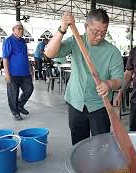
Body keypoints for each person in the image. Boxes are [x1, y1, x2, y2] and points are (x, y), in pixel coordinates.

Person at [44, 9, 124, 145]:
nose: (99, 36)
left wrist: (109, 84)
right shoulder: (76, 41)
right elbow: (50, 53)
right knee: (78, 144)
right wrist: (62, 29)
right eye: (94, 32)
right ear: (86, 27)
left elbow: (119, 80)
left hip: (100, 106)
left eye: (103, 33)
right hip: (76, 103)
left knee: (101, 145)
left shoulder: (112, 52)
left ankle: (100, 166)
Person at [2, 21, 34, 121]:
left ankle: (20, 105)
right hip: (13, 73)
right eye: (18, 28)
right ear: (13, 30)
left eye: (22, 28)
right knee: (13, 94)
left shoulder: (23, 41)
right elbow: (5, 58)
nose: (21, 30)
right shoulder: (8, 41)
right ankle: (15, 112)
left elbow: (25, 56)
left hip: (25, 73)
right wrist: (6, 73)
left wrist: (30, 68)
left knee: (29, 89)